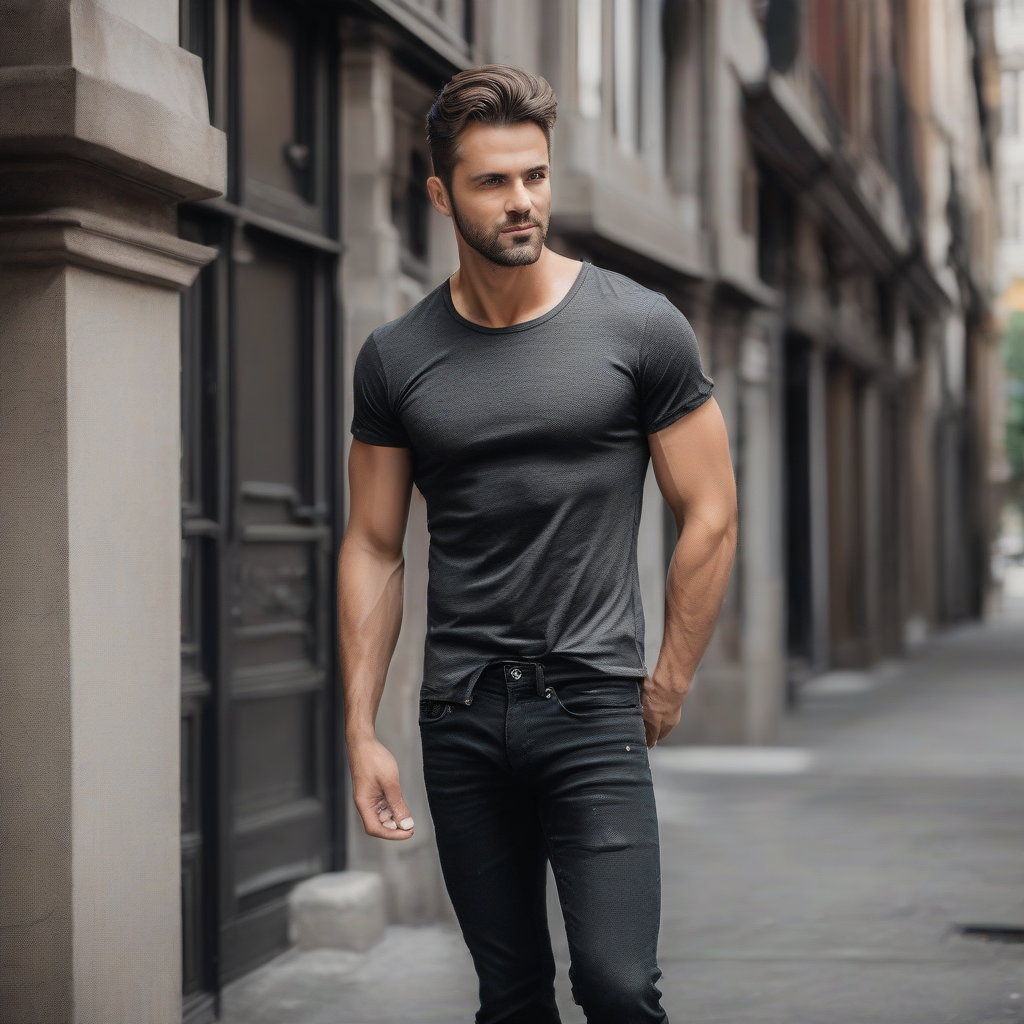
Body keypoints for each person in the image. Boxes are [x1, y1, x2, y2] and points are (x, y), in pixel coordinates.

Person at [338, 64, 737, 1024]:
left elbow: (711, 511)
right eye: (493, 182)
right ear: (440, 193)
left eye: (536, 177)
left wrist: (669, 681)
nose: (524, 202)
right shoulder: (397, 356)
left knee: (616, 984)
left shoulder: (639, 326)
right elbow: (373, 544)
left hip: (593, 705)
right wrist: (361, 730)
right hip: (461, 717)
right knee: (510, 996)